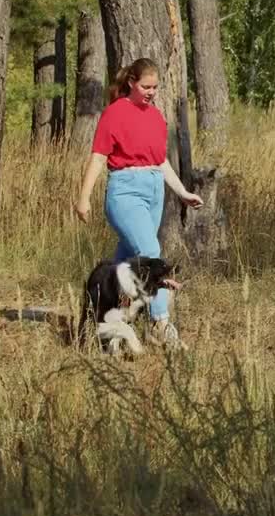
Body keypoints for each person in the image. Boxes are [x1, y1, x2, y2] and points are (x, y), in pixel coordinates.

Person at [74, 57, 203, 347]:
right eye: (146, 86)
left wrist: (182, 193)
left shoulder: (156, 116)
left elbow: (160, 161)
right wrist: (83, 198)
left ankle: (102, 319)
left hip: (154, 189)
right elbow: (98, 156)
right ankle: (160, 323)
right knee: (150, 251)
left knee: (124, 262)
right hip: (124, 190)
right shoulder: (115, 113)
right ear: (131, 82)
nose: (151, 92)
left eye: (155, 87)